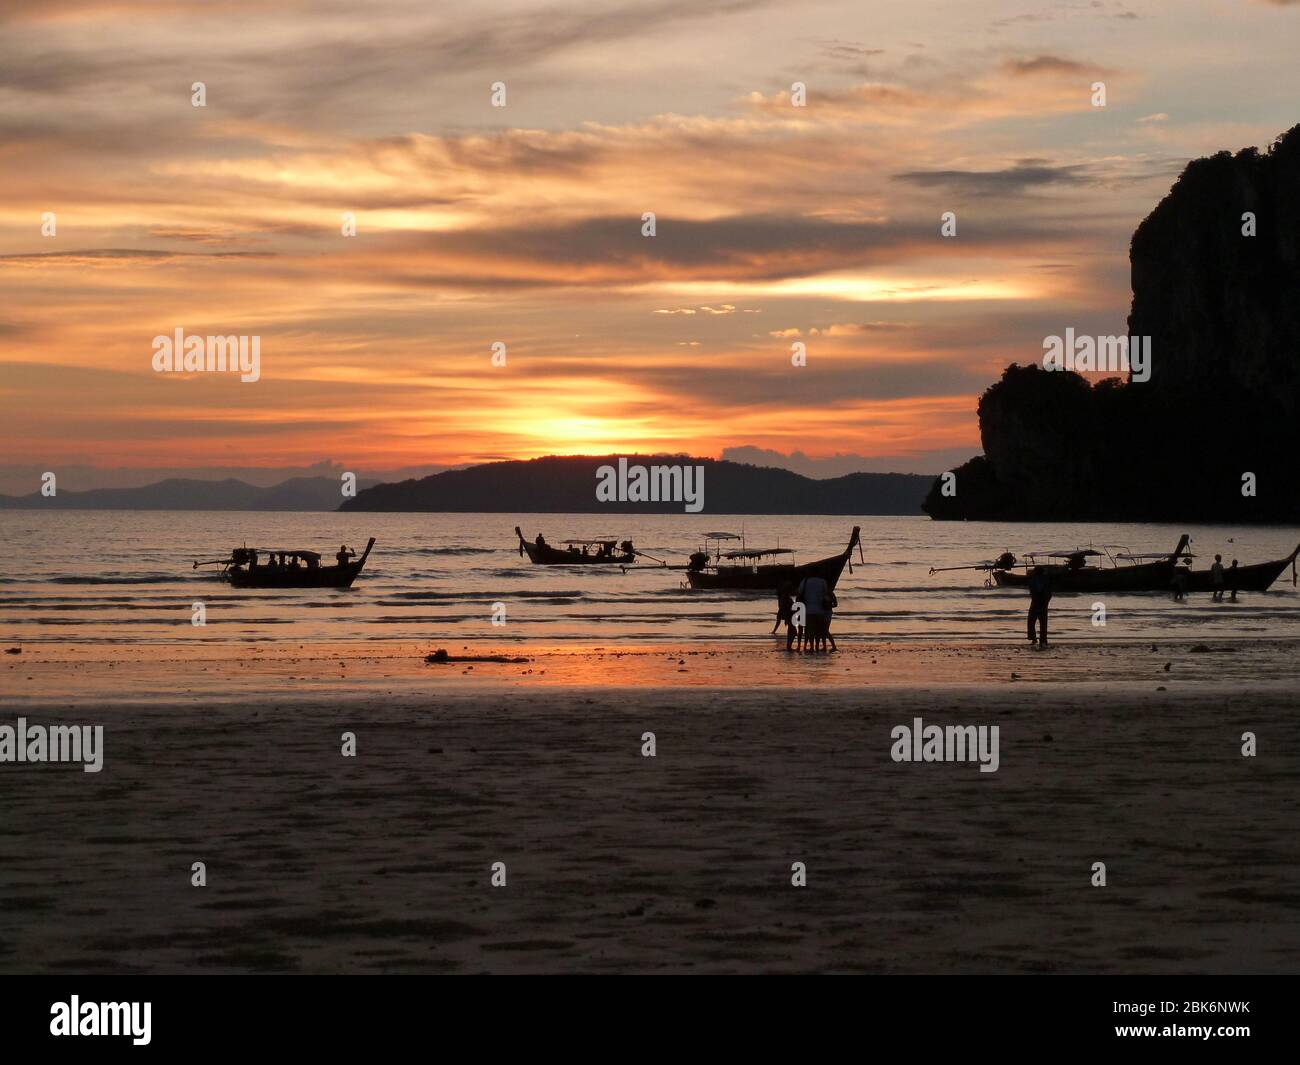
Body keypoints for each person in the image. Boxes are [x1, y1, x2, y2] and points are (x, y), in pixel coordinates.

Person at [797, 573, 831, 653]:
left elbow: (799, 593)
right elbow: (826, 594)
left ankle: (812, 647)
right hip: (820, 610)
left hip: (808, 610)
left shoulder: (804, 581)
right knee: (819, 630)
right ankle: (819, 647)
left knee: (810, 630)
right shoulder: (823, 581)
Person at [1027, 566, 1052, 648]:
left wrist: (1045, 601)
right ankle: (1037, 639)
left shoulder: (1043, 580)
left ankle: (1042, 640)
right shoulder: (1037, 580)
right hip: (1037, 601)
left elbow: (1049, 593)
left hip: (1041, 601)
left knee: (1038, 621)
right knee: (1035, 621)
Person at [774, 581, 800, 651]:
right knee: (793, 631)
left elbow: (782, 607)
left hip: (789, 615)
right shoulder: (785, 598)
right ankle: (789, 646)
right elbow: (784, 607)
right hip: (789, 616)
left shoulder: (783, 597)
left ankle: (789, 646)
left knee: (791, 631)